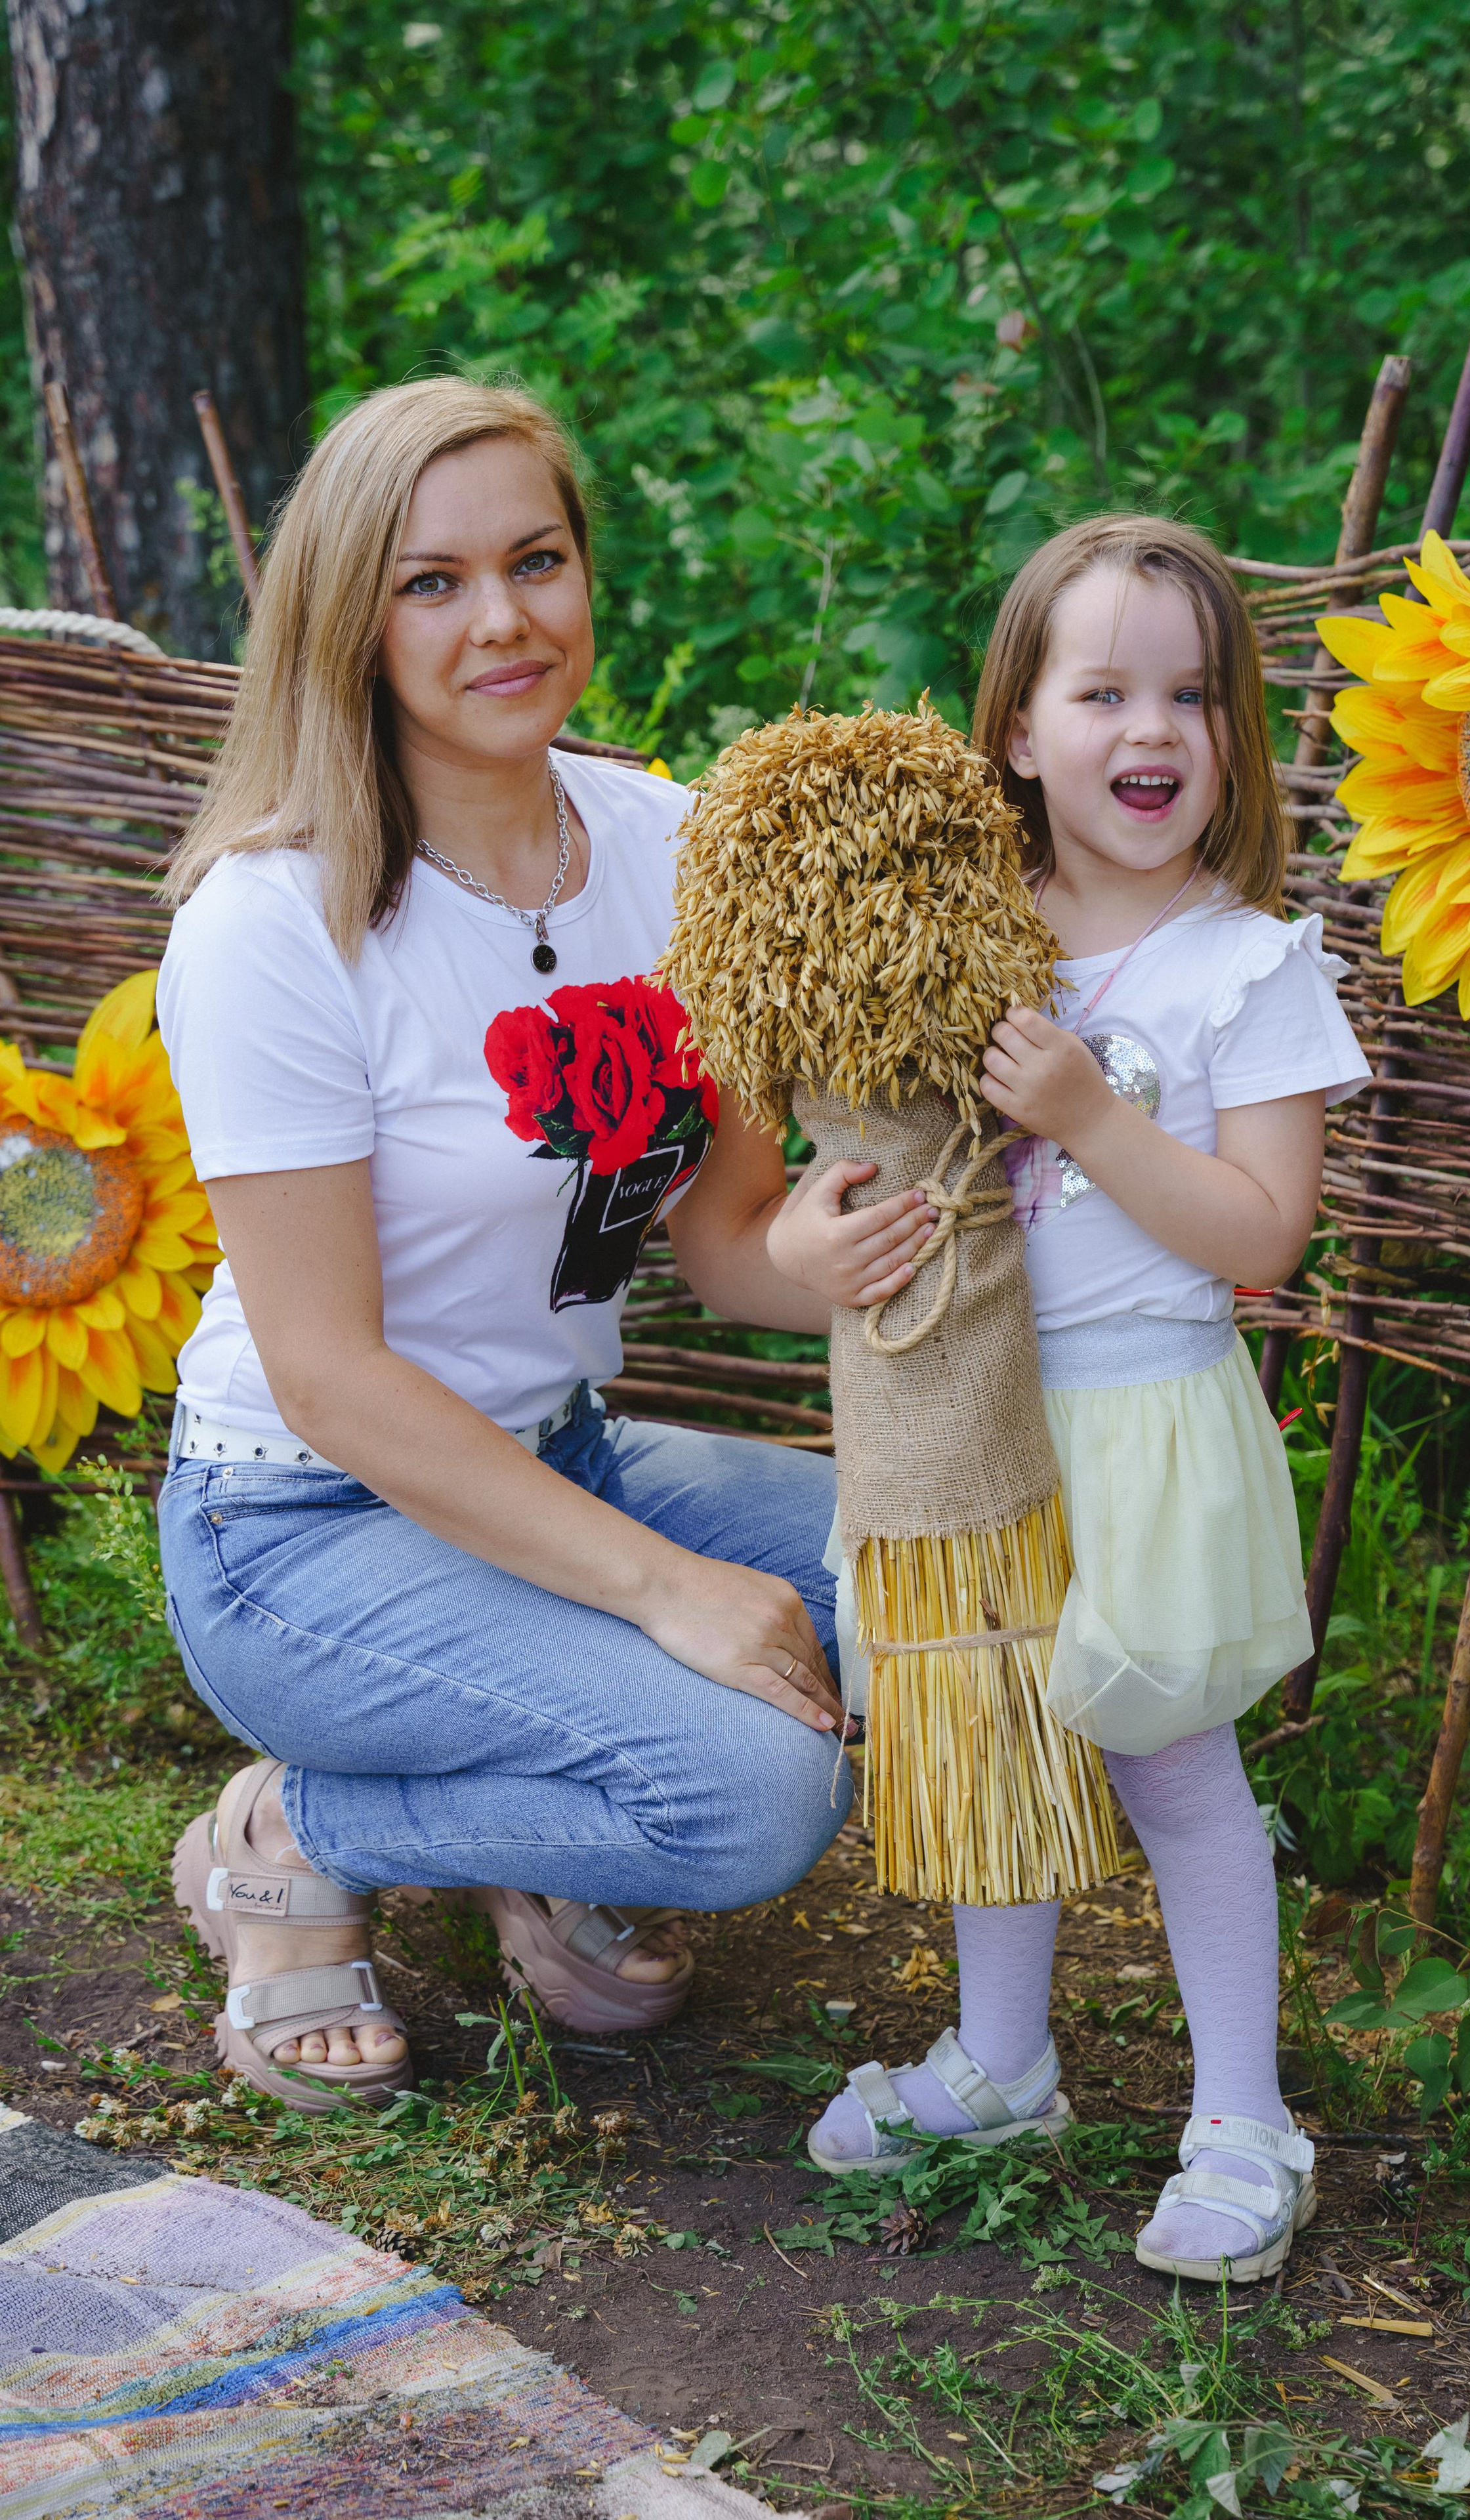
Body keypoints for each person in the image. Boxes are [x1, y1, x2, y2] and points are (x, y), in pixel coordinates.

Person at [156, 378, 936, 2110]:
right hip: (300, 1526)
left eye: (536, 561)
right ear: (350, 623)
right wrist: (667, 1589)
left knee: (935, 1584)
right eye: (431, 583)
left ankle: (546, 1814)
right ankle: (294, 1837)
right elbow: (329, 1377)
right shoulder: (276, 924)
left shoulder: (677, 849)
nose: (502, 619)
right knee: (759, 1793)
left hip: (555, 1452)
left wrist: (826, 1254)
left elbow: (723, 1240)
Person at [802, 515, 1371, 2283]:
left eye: (1193, 695)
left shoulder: (1244, 964)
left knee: (1174, 1769)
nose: (1155, 729)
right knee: (988, 1731)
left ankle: (1244, 2118)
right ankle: (1002, 2064)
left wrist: (1092, 1119)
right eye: (1106, 690)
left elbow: (1264, 1236)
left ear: (1236, 735)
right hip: (972, 1410)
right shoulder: (960, 941)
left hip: (1141, 1422)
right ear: (1018, 731)